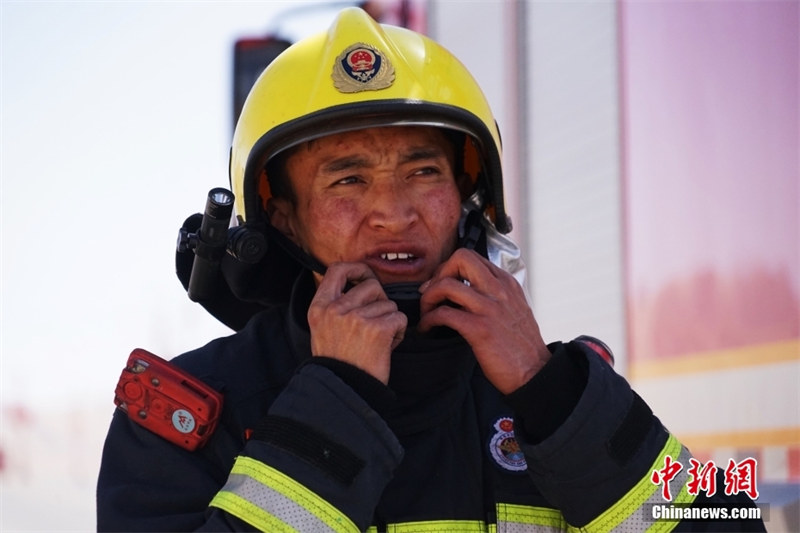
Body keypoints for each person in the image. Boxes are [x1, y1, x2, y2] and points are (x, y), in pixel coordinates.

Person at [97, 7, 764, 532]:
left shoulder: (553, 394)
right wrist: (337, 403)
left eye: (423, 171)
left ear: (470, 193)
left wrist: (551, 392)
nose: (393, 211)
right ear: (283, 217)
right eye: (347, 179)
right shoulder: (183, 413)